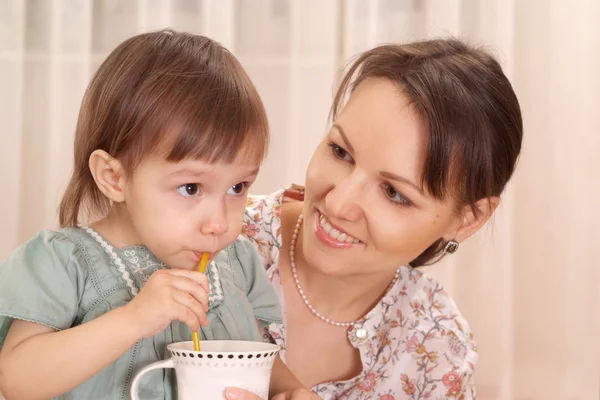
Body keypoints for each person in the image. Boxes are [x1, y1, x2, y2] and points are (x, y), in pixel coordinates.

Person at [226, 38, 523, 399]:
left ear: (467, 218)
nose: (338, 204)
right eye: (340, 152)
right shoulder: (209, 239)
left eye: (394, 193)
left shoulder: (436, 351)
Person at [0, 29, 290, 399]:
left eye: (238, 187)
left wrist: (294, 390)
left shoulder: (238, 264)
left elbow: (264, 362)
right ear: (114, 177)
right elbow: (17, 380)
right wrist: (133, 319)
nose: (219, 223)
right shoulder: (62, 263)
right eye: (190, 188)